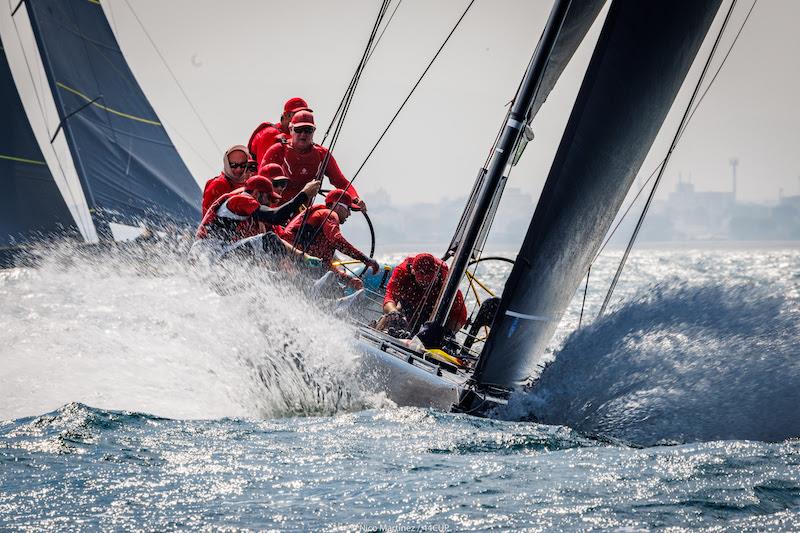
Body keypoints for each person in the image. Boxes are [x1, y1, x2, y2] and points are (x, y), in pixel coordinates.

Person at [191, 175, 321, 262]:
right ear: (256, 193)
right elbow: (276, 217)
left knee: (261, 260)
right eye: (269, 198)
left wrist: (305, 257)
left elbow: (279, 238)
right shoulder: (242, 199)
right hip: (208, 254)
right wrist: (304, 194)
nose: (270, 203)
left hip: (212, 255)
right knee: (268, 241)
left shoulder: (245, 211)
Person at [259, 110, 366, 212]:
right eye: (299, 130)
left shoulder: (322, 154)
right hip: (275, 211)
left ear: (314, 131)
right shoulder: (278, 150)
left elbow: (340, 181)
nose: (303, 134)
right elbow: (260, 182)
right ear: (291, 130)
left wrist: (355, 198)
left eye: (308, 130)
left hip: (301, 213)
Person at [282, 188, 379, 289]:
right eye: (348, 208)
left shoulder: (323, 226)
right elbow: (337, 240)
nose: (349, 214)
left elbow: (325, 265)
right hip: (291, 263)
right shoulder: (329, 214)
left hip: (291, 262)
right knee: (331, 287)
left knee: (331, 283)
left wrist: (348, 280)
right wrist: (365, 259)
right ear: (336, 205)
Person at [378, 253, 467, 339]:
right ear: (413, 271)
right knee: (392, 316)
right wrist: (393, 313)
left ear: (436, 273)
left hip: (432, 311)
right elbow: (389, 297)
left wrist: (447, 333)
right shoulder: (403, 271)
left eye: (429, 282)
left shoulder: (446, 280)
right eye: (422, 282)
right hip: (409, 303)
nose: (425, 285)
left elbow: (460, 315)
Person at [247, 97, 310, 165]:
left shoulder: (297, 137)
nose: (303, 118)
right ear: (286, 115)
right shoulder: (270, 133)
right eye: (298, 114)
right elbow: (264, 169)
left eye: (305, 114)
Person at [201, 145, 253, 215]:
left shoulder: (247, 184)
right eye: (234, 165)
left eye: (243, 165)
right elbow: (207, 217)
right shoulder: (218, 184)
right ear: (227, 163)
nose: (239, 169)